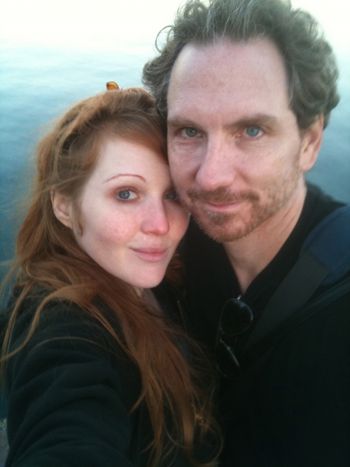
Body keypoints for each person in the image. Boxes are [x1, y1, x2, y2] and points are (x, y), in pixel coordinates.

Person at [143, 0, 350, 466]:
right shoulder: (157, 243)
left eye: (252, 130)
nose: (211, 177)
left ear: (310, 142)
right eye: (190, 132)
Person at [0, 84, 219, 467]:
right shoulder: (62, 328)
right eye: (125, 194)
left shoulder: (154, 275)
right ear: (65, 206)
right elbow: (69, 429)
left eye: (172, 196)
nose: (160, 225)